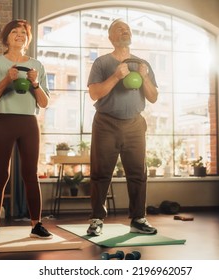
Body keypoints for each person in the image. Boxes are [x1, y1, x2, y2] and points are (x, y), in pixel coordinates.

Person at [0, 19, 52, 241]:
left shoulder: (36, 66)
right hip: (2, 120)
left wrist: (36, 83)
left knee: (31, 174)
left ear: (28, 39)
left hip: (29, 122)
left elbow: (44, 103)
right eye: (15, 32)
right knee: (0, 173)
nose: (20, 35)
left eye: (23, 32)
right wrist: (6, 80)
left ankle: (36, 224)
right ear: (6, 37)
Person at [86, 19, 159, 236]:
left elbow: (153, 97)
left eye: (127, 29)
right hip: (106, 123)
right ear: (110, 38)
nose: (124, 31)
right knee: (101, 173)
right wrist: (116, 76)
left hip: (135, 124)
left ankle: (138, 218)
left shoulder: (143, 64)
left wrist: (144, 77)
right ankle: (97, 219)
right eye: (119, 29)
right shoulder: (101, 63)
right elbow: (94, 93)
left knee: (138, 173)